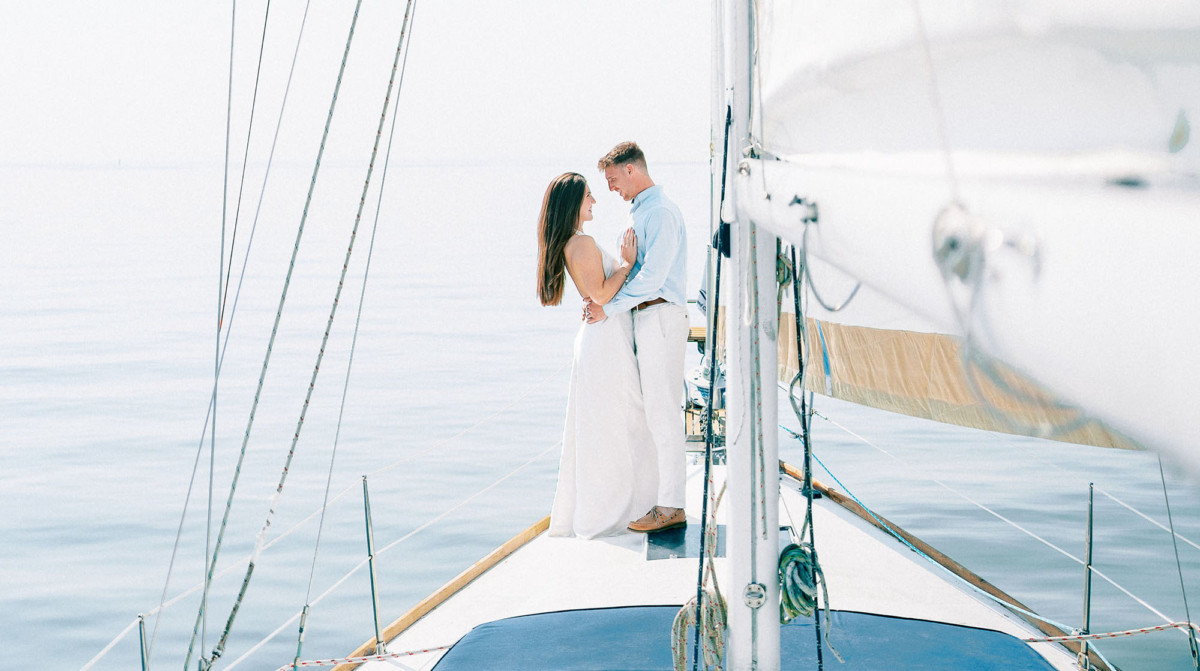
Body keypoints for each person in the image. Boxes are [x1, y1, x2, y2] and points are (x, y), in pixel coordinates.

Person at [538, 172, 659, 539]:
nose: (594, 201)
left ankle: (623, 505)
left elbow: (597, 295)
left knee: (610, 425)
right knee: (621, 423)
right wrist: (626, 263)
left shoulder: (573, 243)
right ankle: (621, 511)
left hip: (602, 340)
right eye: (589, 195)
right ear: (573, 203)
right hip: (605, 343)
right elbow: (603, 295)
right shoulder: (582, 243)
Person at [585, 142, 689, 534]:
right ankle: (662, 499)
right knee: (655, 414)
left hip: (660, 316)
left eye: (612, 179)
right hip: (648, 318)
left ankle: (672, 506)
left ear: (631, 170)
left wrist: (608, 308)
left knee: (663, 414)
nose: (611, 188)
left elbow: (652, 278)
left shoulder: (659, 213)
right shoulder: (644, 211)